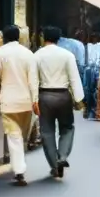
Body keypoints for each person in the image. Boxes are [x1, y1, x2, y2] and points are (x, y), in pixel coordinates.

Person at [0, 25, 39, 186]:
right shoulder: (28, 54)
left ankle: (19, 171)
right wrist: (35, 101)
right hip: (26, 102)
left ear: (4, 38)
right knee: (20, 137)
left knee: (13, 137)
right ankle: (19, 167)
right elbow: (33, 81)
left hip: (8, 102)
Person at [35, 26, 84, 179]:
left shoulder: (37, 55)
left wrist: (33, 99)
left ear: (44, 37)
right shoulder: (67, 55)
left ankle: (54, 166)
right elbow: (74, 78)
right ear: (59, 38)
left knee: (47, 132)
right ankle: (62, 156)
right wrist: (79, 99)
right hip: (63, 96)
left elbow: (33, 79)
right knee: (67, 128)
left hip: (44, 96)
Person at [84, 33, 100, 120]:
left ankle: (97, 110)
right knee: (89, 90)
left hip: (98, 70)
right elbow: (86, 59)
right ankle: (89, 110)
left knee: (97, 90)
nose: (94, 39)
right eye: (92, 37)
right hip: (90, 70)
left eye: (95, 37)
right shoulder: (88, 46)